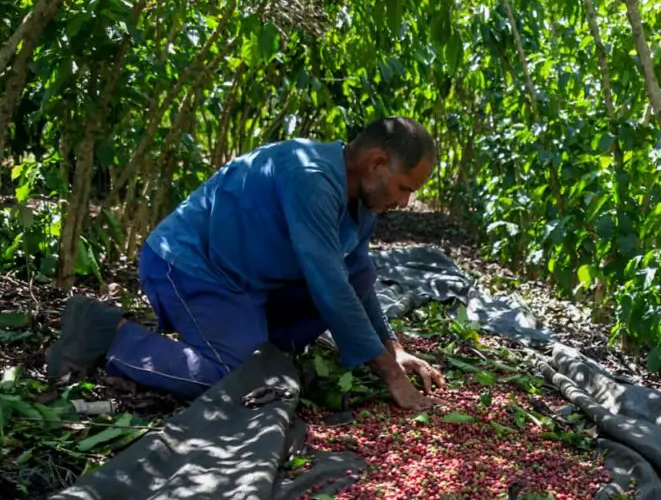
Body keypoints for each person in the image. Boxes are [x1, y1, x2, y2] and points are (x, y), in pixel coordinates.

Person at [45, 116, 446, 410]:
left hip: (251, 283)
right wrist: (390, 377)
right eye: (404, 188)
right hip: (191, 267)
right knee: (237, 380)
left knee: (274, 361)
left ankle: (245, 343)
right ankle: (108, 331)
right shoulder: (311, 178)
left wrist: (393, 350)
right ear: (376, 163)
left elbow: (358, 277)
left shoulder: (363, 202)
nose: (405, 202)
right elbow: (329, 283)